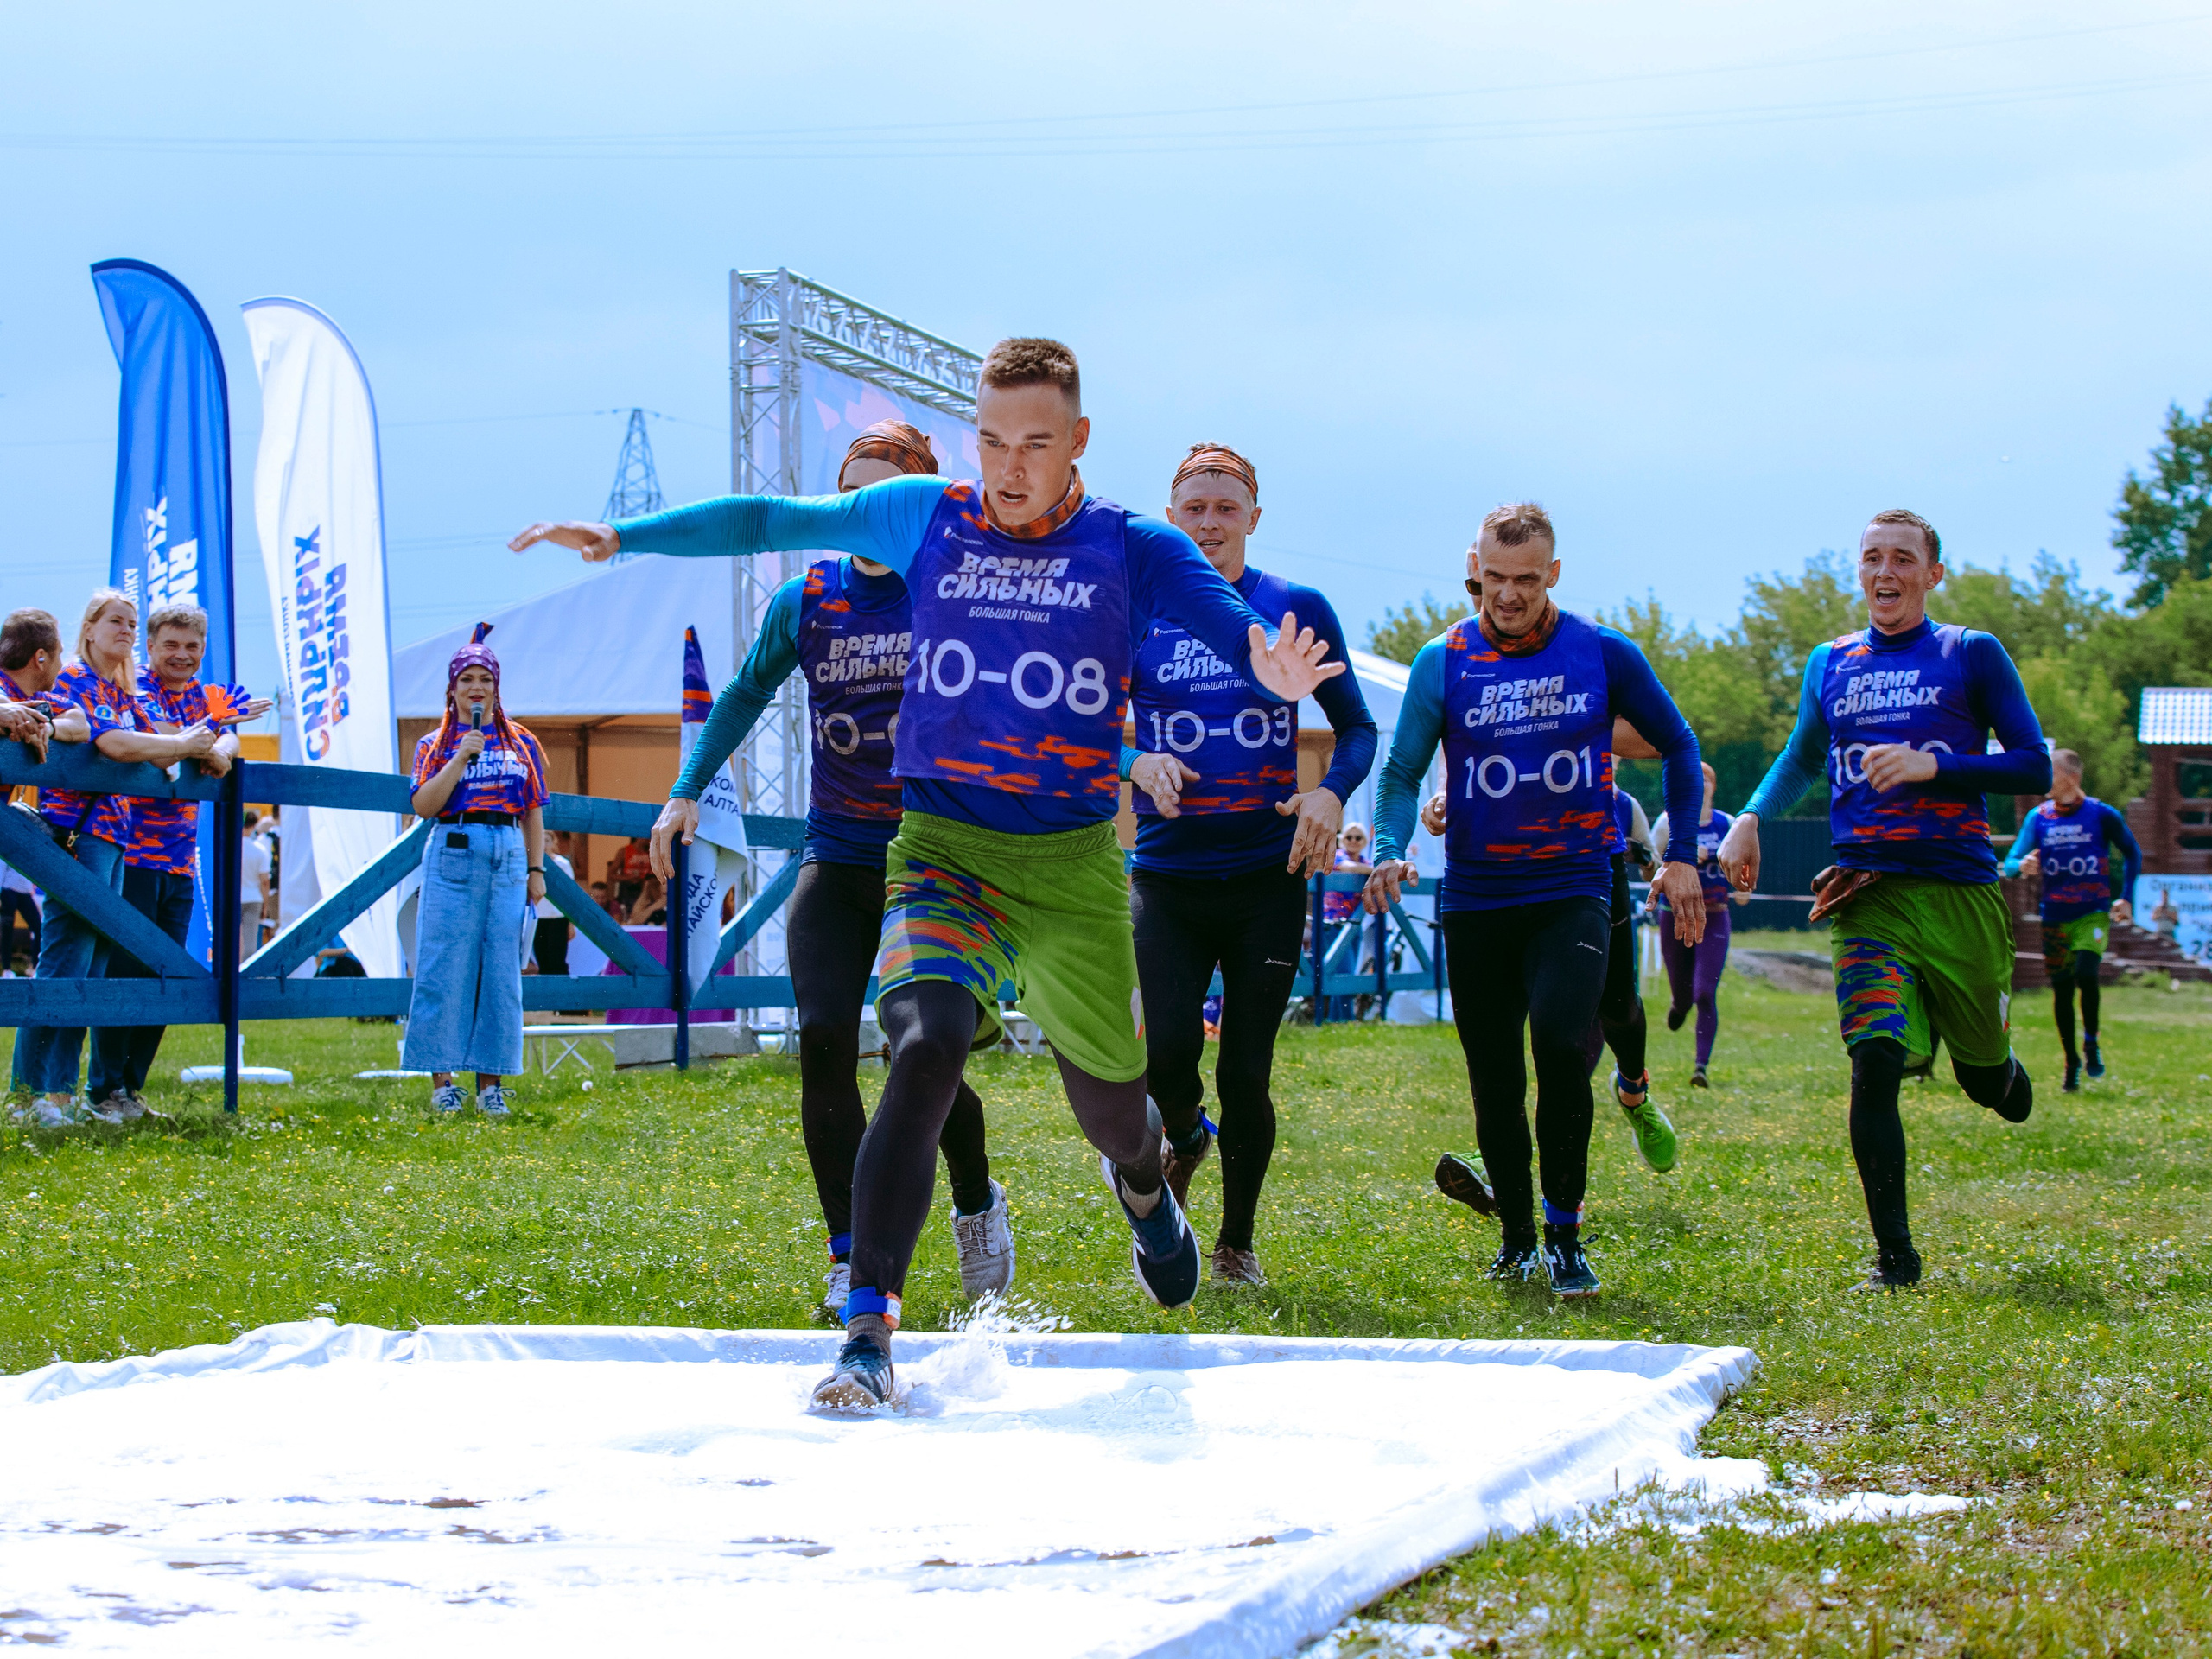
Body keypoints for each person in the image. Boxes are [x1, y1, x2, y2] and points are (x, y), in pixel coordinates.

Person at [513, 337, 1344, 1408]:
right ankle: (868, 1331)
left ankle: (1144, 1190)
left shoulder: (1130, 545)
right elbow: (773, 520)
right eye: (993, 440)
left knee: (1114, 1115)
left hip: (1076, 870)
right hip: (943, 853)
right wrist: (622, 534)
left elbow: (1225, 621)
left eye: (1036, 444)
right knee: (924, 1046)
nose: (1009, 467)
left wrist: (1261, 662)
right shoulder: (926, 514)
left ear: (1078, 442)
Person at [652, 419, 1014, 1319]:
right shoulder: (807, 598)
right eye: (846, 494)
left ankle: (974, 1195)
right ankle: (847, 1252)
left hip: (932, 866)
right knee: (821, 1043)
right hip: (839, 855)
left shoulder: (960, 592)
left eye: (879, 496)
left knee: (916, 1056)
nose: (860, 514)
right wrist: (686, 788)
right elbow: (743, 692)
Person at [1364, 505, 1705, 1299]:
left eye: (1527, 580)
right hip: (1479, 895)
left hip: (1572, 885)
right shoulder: (1441, 659)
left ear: (1553, 574)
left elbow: (1681, 745)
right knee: (1492, 1076)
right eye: (1496, 579)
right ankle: (1517, 1240)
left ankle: (1564, 1234)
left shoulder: (1602, 652)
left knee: (1558, 1049)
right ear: (1474, 567)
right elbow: (1402, 771)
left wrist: (1682, 855)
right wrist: (1387, 846)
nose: (1509, 596)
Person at [1719, 509, 2049, 1292]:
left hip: (1961, 892)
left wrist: (1936, 767)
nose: (1885, 571)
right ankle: (1895, 1259)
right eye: (1872, 558)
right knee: (1870, 1061)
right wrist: (1750, 819)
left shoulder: (1972, 653)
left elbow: (2034, 765)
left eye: (1903, 558)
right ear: (1860, 572)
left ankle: (1993, 1062)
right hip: (1866, 892)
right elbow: (1803, 753)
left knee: (1988, 1087)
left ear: (1933, 574)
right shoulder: (1831, 661)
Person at [1122, 442, 1377, 1287]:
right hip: (1166, 875)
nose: (1208, 522)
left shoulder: (1294, 606)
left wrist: (1329, 795)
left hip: (1269, 875)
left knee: (1245, 1068)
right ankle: (1186, 1138)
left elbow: (1359, 728)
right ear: (1171, 519)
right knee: (1163, 1059)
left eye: (1224, 508)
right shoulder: (1134, 609)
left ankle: (1234, 1244)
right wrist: (1134, 763)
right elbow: (1082, 722)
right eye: (1192, 508)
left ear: (1252, 520)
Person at [15, 591, 214, 1127]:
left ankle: (61, 1096)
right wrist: (184, 747)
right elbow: (118, 746)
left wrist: (195, 745)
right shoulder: (75, 679)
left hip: (116, 836)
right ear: (89, 629)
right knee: (65, 960)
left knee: (94, 965)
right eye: (116, 622)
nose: (126, 630)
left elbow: (158, 738)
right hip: (77, 834)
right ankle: (32, 1094)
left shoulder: (122, 691)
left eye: (131, 622)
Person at [91, 603, 270, 1114]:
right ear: (150, 646)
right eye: (171, 644)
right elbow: (170, 733)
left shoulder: (201, 694)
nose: (182, 655)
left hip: (178, 860)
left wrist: (225, 747)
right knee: (125, 972)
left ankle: (131, 1087)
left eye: (192, 646)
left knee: (166, 976)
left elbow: (223, 732)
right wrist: (210, 740)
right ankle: (103, 1090)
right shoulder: (136, 687)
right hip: (132, 853)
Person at [403, 624, 549, 1116]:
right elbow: (424, 805)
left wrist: (536, 869)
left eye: (484, 677)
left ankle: (491, 1085)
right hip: (453, 849)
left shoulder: (522, 742)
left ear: (497, 686)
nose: (476, 687)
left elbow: (532, 808)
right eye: (466, 678)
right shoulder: (435, 743)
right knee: (443, 966)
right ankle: (442, 1082)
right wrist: (461, 756)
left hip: (507, 852)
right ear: (452, 688)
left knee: (501, 972)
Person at [2002, 747, 2141, 1091]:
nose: (2044, 779)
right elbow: (2009, 862)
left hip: (2091, 912)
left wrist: (2127, 897)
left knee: (2086, 973)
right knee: (2062, 990)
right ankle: (2071, 1061)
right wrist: (2021, 867)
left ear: (2072, 777)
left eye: (2051, 772)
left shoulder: (2101, 814)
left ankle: (2091, 1042)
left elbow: (2133, 852)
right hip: (2055, 916)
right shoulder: (2039, 817)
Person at [1651, 761, 1738, 1089]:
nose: (1700, 784)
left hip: (1714, 913)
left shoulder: (1727, 823)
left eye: (1706, 779)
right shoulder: (1668, 822)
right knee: (1684, 993)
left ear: (1714, 786)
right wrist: (1683, 856)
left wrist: (1741, 887)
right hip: (1673, 914)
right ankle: (1678, 1005)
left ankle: (1701, 1067)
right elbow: (1653, 866)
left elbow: (1740, 865)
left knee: (1705, 991)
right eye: (1694, 779)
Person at [531, 830, 576, 976]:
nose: (544, 845)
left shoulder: (562, 864)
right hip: (539, 918)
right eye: (541, 840)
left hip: (558, 919)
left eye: (547, 841)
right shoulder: (531, 864)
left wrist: (571, 924)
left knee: (557, 961)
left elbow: (570, 895)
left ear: (553, 843)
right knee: (542, 961)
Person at [239, 810, 272, 957]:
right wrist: (265, 905)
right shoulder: (260, 850)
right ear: (253, 826)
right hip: (254, 898)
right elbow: (264, 881)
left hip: (234, 897)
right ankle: (246, 974)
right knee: (250, 941)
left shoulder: (228, 848)